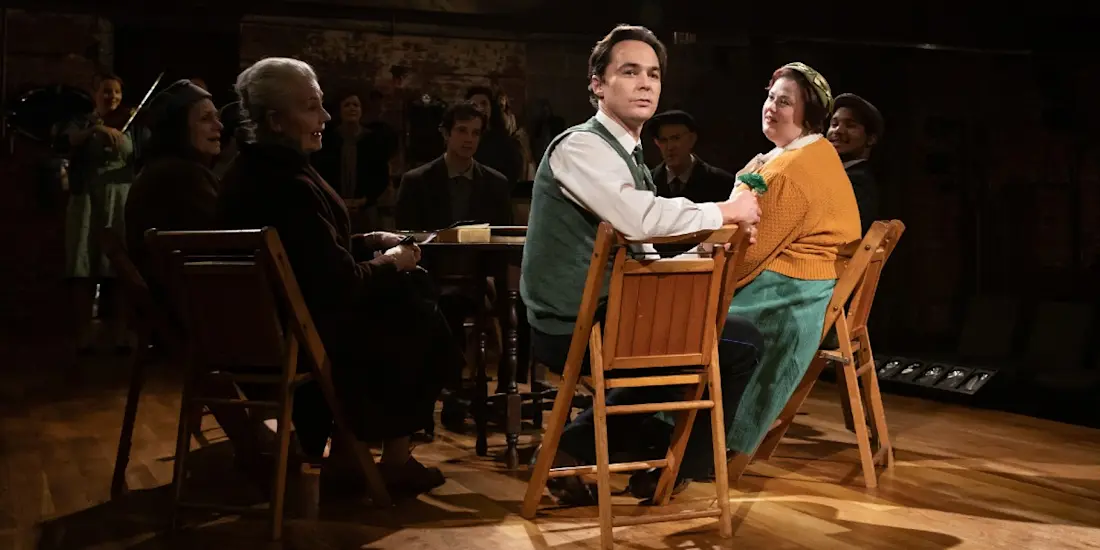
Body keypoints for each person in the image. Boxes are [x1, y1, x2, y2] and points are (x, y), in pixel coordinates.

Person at [521, 24, 765, 504]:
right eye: (630, 72)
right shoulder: (581, 146)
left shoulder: (627, 155)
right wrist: (725, 210)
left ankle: (580, 451)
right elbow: (637, 219)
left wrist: (704, 249)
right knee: (735, 343)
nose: (645, 84)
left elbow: (642, 250)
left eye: (653, 74)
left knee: (706, 339)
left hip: (610, 313)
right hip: (572, 321)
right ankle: (674, 468)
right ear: (598, 84)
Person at [216, 57, 464, 495]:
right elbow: (338, 283)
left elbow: (302, 254)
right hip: (305, 340)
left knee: (404, 294)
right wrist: (394, 260)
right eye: (311, 107)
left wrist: (368, 241)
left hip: (257, 337)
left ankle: (350, 456)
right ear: (275, 120)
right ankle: (392, 459)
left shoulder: (245, 172)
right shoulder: (289, 183)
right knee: (414, 301)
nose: (326, 118)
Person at [722, 62, 861, 461]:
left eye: (784, 102)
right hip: (808, 290)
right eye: (770, 97)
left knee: (684, 319)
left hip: (788, 299)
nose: (771, 107)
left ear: (808, 115)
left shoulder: (788, 170)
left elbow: (744, 258)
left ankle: (673, 431)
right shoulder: (815, 153)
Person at [61, 72, 137, 353]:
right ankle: (84, 335)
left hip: (120, 200)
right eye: (106, 91)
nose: (112, 97)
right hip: (88, 200)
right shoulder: (82, 121)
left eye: (117, 92)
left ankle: (119, 334)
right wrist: (96, 130)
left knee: (119, 268)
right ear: (95, 93)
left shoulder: (132, 122)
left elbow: (142, 155)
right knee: (83, 266)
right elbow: (67, 140)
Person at [395, 101, 512, 230]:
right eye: (462, 131)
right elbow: (406, 236)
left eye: (475, 133)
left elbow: (503, 237)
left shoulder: (496, 184)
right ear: (446, 134)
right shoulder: (416, 183)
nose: (469, 139)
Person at [311, 90, 394, 232]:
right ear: (340, 110)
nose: (352, 108)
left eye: (356, 105)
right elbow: (320, 172)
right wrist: (337, 198)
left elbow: (381, 175)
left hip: (366, 209)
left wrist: (365, 200)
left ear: (361, 110)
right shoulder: (328, 140)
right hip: (333, 206)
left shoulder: (373, 140)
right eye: (347, 105)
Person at [827, 93, 883, 233]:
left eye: (850, 125)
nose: (838, 130)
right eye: (834, 124)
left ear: (870, 139)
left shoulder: (858, 181)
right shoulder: (837, 175)